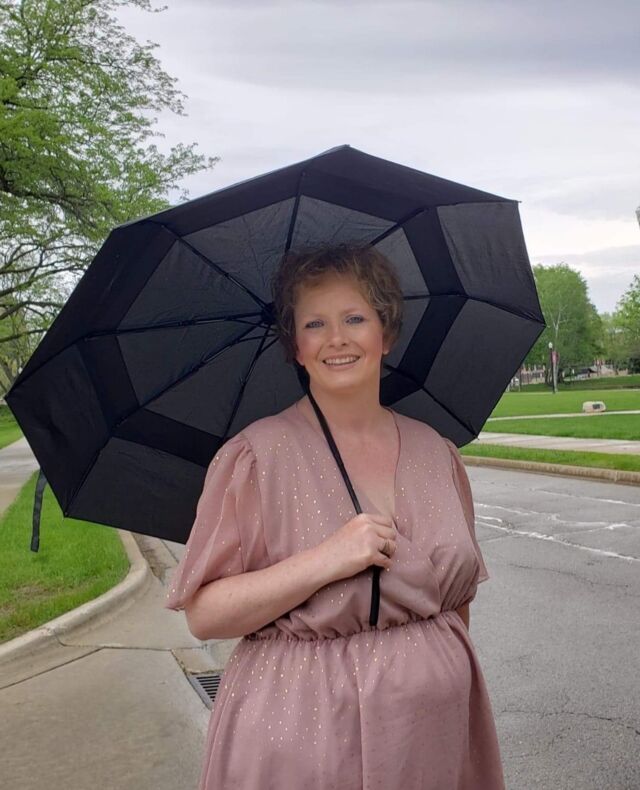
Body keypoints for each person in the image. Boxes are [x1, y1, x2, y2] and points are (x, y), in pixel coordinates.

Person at [164, 242, 506, 789]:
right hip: (306, 737)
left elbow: (456, 604)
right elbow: (204, 615)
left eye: (355, 318)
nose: (337, 338)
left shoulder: (436, 452)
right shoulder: (257, 457)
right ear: (296, 347)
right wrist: (326, 560)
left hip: (435, 737)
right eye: (315, 324)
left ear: (386, 332)